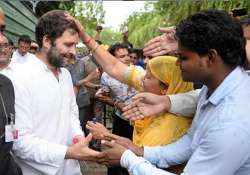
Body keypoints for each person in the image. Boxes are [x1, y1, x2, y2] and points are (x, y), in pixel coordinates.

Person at [71, 9, 250, 174]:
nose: (177, 64)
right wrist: (140, 151)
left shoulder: (232, 121)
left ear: (211, 57)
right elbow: (191, 141)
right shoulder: (210, 91)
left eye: (183, 57)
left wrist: (128, 158)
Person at [12, 10, 100, 175]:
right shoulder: (17, 77)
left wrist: (78, 138)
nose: (74, 51)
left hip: (70, 168)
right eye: (68, 44)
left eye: (75, 45)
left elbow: (72, 114)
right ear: (46, 41)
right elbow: (18, 141)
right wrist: (68, 153)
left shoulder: (65, 75)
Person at [0, 19, 22, 175]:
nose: (2, 48)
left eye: (5, 45)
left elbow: (11, 118)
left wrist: (12, 146)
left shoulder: (8, 82)